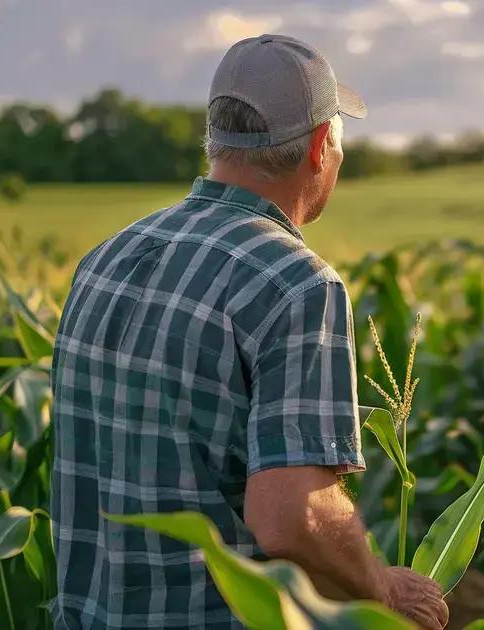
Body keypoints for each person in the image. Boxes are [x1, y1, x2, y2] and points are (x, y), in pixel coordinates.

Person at [50, 34, 448, 629]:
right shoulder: (297, 285)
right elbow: (291, 516)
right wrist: (381, 588)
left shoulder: (105, 258)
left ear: (217, 139)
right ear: (320, 147)